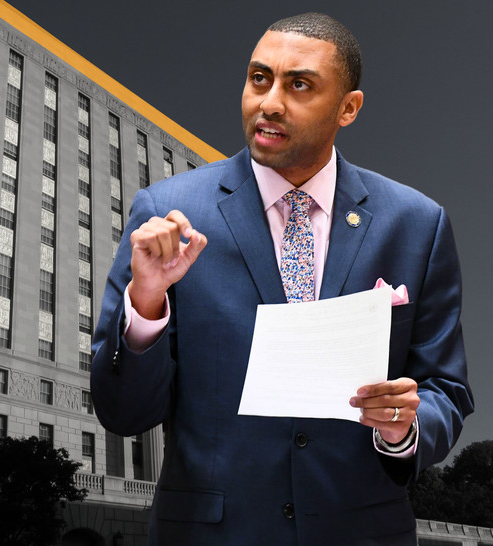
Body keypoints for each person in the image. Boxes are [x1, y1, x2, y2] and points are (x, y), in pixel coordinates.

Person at [90, 12, 473, 546]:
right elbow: (123, 413)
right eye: (259, 78)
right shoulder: (169, 213)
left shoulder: (416, 224)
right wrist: (147, 301)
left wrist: (404, 427)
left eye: (299, 85)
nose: (269, 102)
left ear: (348, 108)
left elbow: (446, 390)